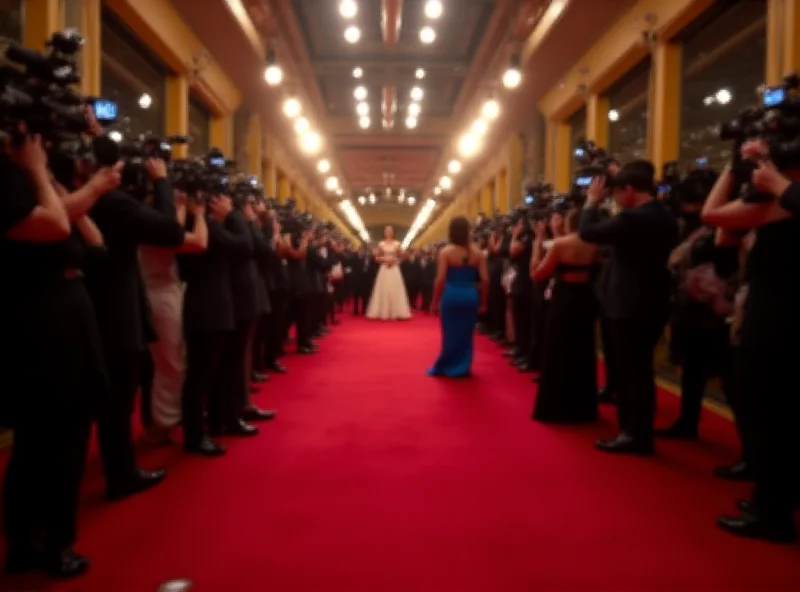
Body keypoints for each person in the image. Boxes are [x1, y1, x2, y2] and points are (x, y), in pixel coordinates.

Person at [579, 160, 678, 455]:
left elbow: (588, 232)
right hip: (651, 301)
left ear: (630, 190)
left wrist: (591, 203)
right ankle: (636, 431)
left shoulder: (636, 218)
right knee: (639, 371)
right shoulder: (663, 215)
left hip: (631, 305)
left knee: (632, 373)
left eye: (616, 194)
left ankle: (635, 434)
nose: (614, 200)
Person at [531, 209, 599, 422]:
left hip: (564, 301)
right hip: (585, 299)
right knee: (582, 351)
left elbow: (537, 273)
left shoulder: (561, 245)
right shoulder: (595, 244)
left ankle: (557, 407)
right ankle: (583, 408)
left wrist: (538, 243)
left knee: (558, 350)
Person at [427, 216, 489, 377]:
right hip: (470, 296)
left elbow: (440, 279)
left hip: (452, 295)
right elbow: (485, 280)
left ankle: (448, 364)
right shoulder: (478, 253)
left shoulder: (446, 252)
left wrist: (434, 301)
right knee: (467, 333)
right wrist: (483, 301)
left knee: (450, 332)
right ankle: (463, 365)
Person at [366, 225, 412, 320]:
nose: (388, 232)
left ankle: (397, 311)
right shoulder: (381, 244)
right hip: (384, 268)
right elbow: (376, 258)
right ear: (384, 232)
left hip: (394, 268)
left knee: (395, 288)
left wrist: (395, 260)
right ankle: (382, 311)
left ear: (393, 232)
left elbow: (403, 256)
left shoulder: (397, 244)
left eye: (390, 231)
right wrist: (384, 260)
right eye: (386, 230)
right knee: (384, 288)